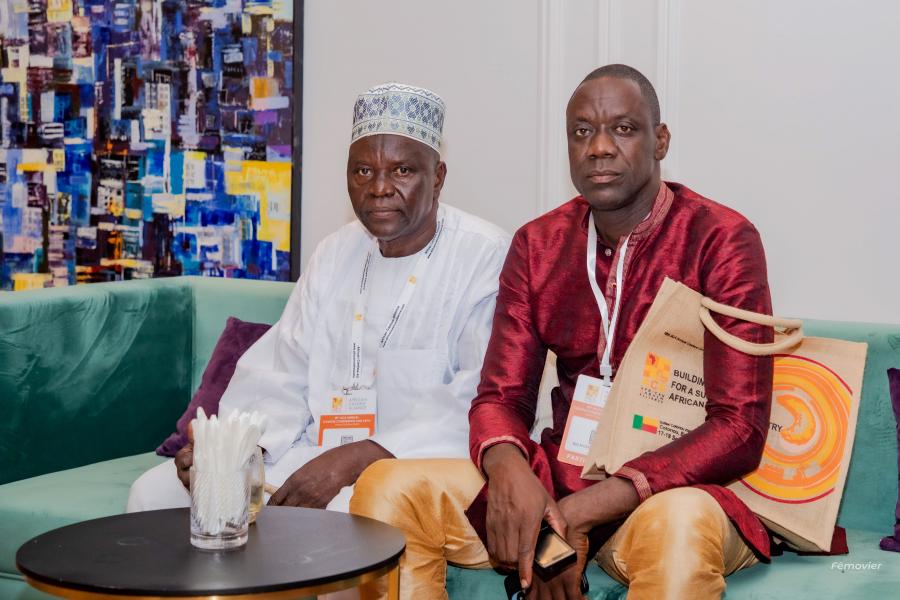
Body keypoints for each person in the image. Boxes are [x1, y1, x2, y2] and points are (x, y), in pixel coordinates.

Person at [350, 64, 774, 599]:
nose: (600, 147)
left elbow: (740, 426)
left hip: (670, 492)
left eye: (623, 129)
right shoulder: (540, 244)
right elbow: (500, 397)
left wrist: (580, 512)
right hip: (560, 482)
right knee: (387, 487)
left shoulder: (721, 240)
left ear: (660, 141)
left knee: (680, 526)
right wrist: (510, 471)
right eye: (582, 131)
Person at [127, 82, 511, 513]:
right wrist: (235, 447)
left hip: (410, 465)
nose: (379, 188)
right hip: (314, 452)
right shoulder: (335, 252)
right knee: (155, 491)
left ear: (437, 177)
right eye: (362, 171)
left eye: (402, 170)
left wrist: (352, 459)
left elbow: (479, 398)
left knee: (343, 515)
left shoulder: (485, 255)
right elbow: (280, 369)